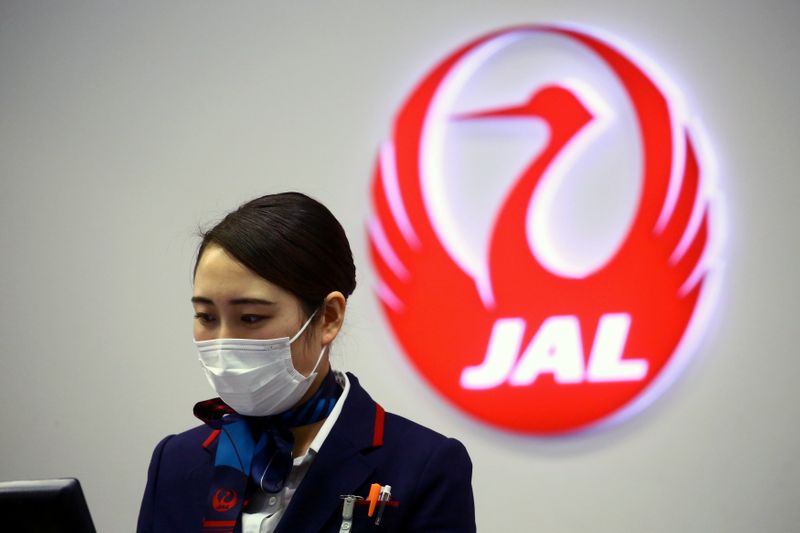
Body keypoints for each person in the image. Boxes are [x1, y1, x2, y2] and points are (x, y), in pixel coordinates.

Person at [137, 192, 476, 532]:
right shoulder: (175, 460)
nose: (225, 342)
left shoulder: (423, 466)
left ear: (328, 317)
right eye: (206, 317)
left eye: (251, 318)